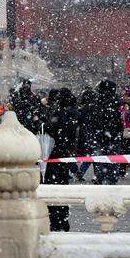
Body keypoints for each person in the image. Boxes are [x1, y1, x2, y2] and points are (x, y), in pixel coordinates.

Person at [43, 88, 78, 231]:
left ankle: (56, 221)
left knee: (53, 189)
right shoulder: (73, 114)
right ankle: (64, 218)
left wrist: (43, 124)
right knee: (62, 187)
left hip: (54, 155)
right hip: (64, 155)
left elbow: (53, 129)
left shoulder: (59, 115)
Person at [91, 80, 120, 185]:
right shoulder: (113, 101)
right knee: (112, 157)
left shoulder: (99, 100)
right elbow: (116, 119)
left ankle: (101, 175)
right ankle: (109, 178)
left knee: (105, 157)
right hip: (111, 134)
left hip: (102, 133)